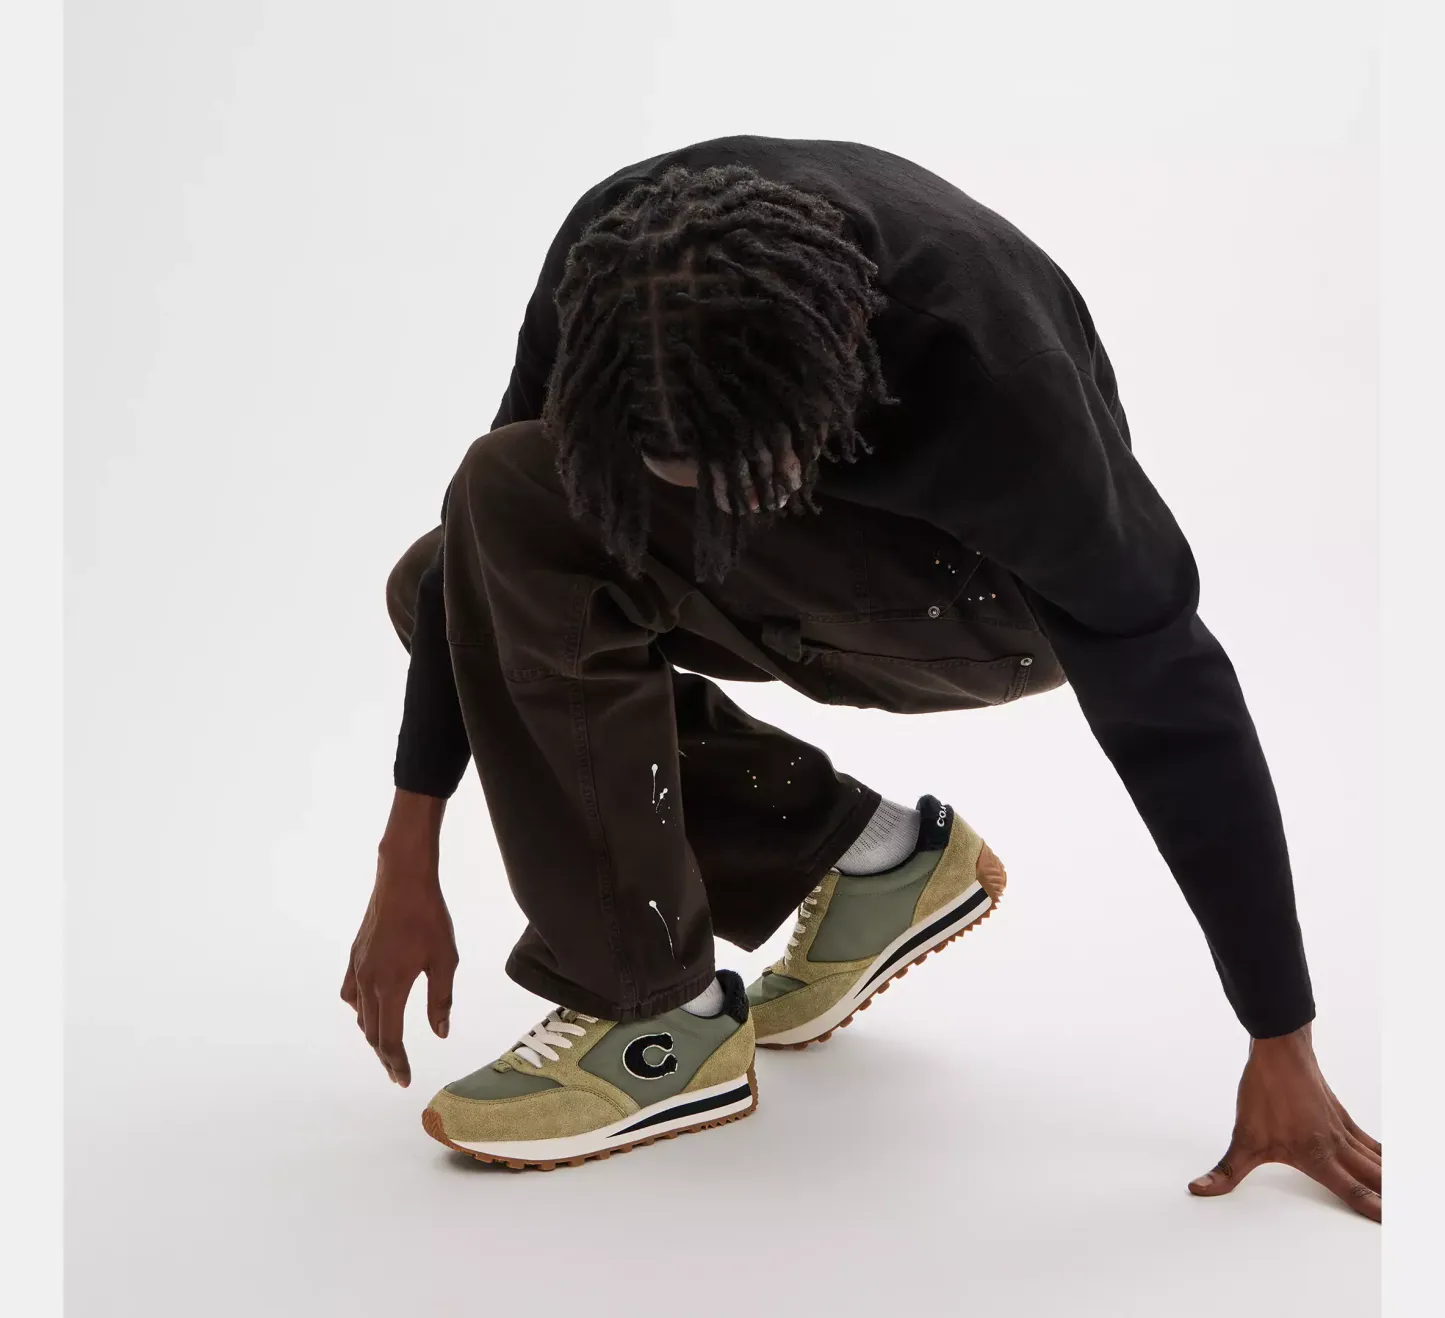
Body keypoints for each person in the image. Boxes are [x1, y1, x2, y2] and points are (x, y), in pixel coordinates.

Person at [340, 136, 1381, 1211]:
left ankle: (654, 1018)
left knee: (517, 515)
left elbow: (1175, 700)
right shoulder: (614, 273)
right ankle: (867, 860)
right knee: (463, 558)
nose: (705, 500)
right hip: (819, 538)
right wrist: (406, 845)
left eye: (738, 471)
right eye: (669, 471)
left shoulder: (993, 387)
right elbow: (484, 545)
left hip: (975, 600)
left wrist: (1281, 1039)